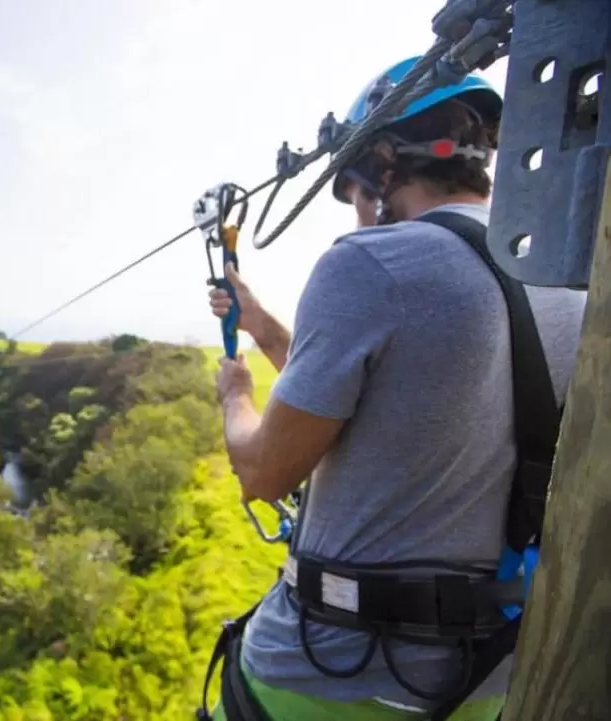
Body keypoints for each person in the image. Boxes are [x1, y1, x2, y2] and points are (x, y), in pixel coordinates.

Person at [204, 56, 588, 720]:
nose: (357, 217)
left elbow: (264, 470)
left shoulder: (368, 263)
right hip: (479, 685)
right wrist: (260, 322)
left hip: (325, 678)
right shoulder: (564, 285)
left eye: (353, 193)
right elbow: (381, 391)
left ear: (383, 166)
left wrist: (234, 394)